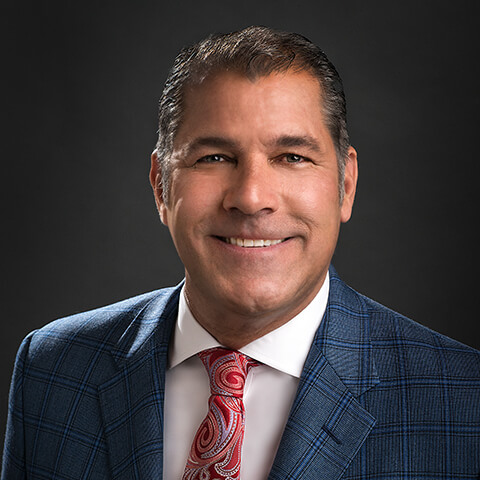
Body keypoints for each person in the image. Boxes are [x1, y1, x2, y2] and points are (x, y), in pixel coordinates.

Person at [2, 26, 479, 480]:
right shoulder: (54, 369)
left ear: (346, 185)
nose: (251, 198)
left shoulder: (464, 400)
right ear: (161, 187)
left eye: (292, 157)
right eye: (214, 158)